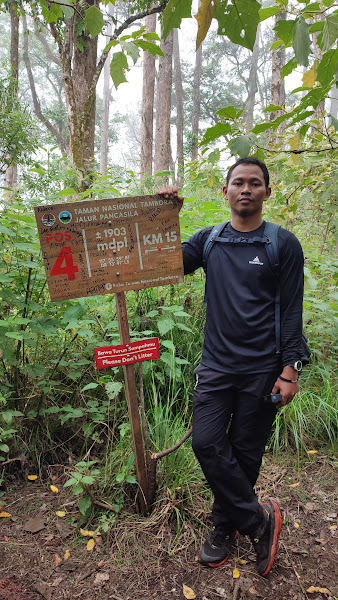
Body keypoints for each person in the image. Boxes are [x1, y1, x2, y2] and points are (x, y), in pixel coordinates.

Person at [158, 157, 304, 577]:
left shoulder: (282, 244)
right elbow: (168, 263)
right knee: (206, 442)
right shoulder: (211, 240)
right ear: (225, 192)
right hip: (217, 367)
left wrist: (290, 370)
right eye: (238, 182)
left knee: (245, 451)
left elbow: (293, 311)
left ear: (266, 192)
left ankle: (224, 525)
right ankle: (259, 520)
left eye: (254, 183)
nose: (246, 189)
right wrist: (165, 216)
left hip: (264, 368)